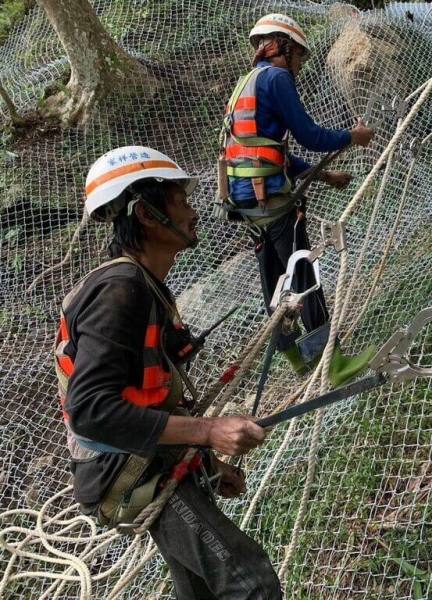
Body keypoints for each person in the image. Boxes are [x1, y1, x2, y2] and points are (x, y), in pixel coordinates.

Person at [55, 146, 281, 599]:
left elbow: (143, 399)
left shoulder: (142, 285)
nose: (193, 213)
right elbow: (92, 411)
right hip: (128, 471)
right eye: (181, 201)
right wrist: (209, 431)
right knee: (251, 584)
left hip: (146, 460)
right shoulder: (119, 292)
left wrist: (207, 462)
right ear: (147, 214)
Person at [218, 13, 375, 386]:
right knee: (304, 274)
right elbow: (309, 136)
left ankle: (292, 355)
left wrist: (323, 176)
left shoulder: (247, 83)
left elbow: (267, 153)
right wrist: (353, 137)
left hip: (247, 203)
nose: (301, 65)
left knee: (274, 278)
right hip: (272, 201)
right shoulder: (277, 78)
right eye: (300, 56)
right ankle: (332, 363)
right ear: (283, 48)